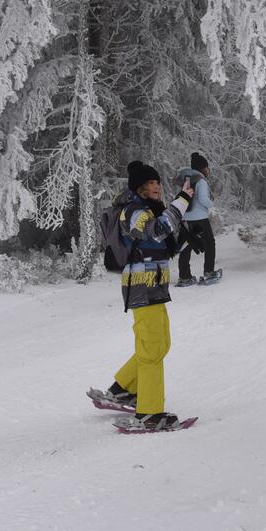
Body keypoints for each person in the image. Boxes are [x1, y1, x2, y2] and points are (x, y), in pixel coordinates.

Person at [98, 161, 194, 431]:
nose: (156, 187)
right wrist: (182, 201)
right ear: (139, 188)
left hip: (155, 287)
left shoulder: (150, 210)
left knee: (160, 344)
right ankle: (149, 414)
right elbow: (155, 230)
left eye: (157, 183)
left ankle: (123, 389)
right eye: (150, 184)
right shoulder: (133, 212)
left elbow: (161, 242)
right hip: (141, 286)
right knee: (152, 348)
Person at [176, 152, 220, 286]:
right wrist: (212, 204)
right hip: (200, 218)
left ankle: (184, 277)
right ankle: (209, 273)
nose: (208, 170)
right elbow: (202, 199)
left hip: (185, 217)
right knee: (210, 243)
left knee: (186, 245)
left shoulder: (185, 180)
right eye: (206, 168)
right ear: (202, 168)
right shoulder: (201, 181)